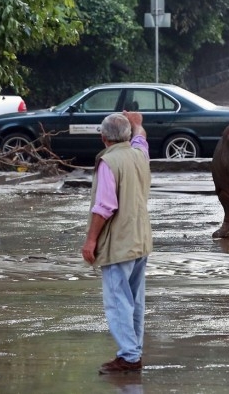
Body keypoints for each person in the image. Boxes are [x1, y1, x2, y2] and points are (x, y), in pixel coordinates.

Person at [81, 111, 152, 374]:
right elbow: (141, 139)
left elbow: (104, 207)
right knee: (134, 300)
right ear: (127, 136)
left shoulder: (109, 162)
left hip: (119, 243)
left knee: (118, 301)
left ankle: (130, 357)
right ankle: (133, 352)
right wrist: (137, 124)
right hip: (140, 239)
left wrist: (90, 240)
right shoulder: (139, 154)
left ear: (103, 138)